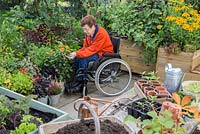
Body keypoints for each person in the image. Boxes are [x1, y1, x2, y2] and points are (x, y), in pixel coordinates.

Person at [65, 15, 113, 93]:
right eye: (84, 29)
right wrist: (76, 54)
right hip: (95, 51)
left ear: (93, 26)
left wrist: (77, 53)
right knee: (78, 58)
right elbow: (85, 48)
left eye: (86, 29)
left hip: (103, 54)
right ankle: (77, 80)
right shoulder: (89, 34)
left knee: (83, 59)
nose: (85, 31)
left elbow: (92, 49)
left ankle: (82, 84)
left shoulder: (101, 33)